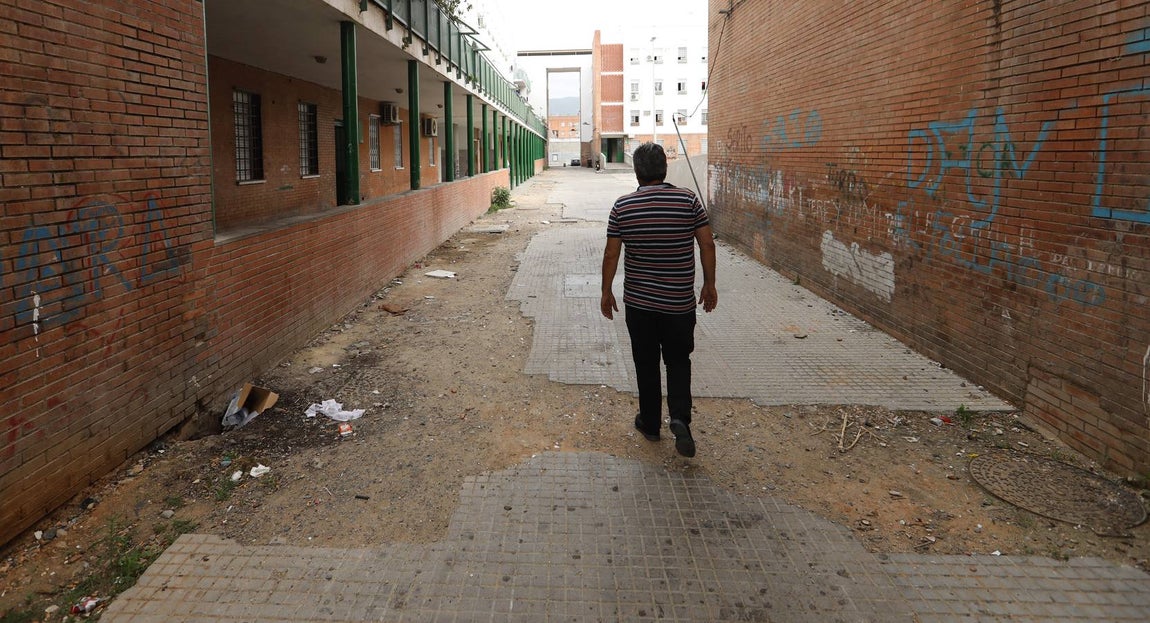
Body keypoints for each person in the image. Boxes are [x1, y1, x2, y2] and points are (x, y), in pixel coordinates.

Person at [600, 142, 717, 457]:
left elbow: (612, 252)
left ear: (637, 172)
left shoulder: (622, 207)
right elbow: (707, 244)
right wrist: (710, 284)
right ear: (664, 168)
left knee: (646, 363)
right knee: (679, 361)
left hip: (640, 305)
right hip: (679, 304)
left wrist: (605, 290)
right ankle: (680, 418)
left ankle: (650, 424)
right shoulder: (688, 200)